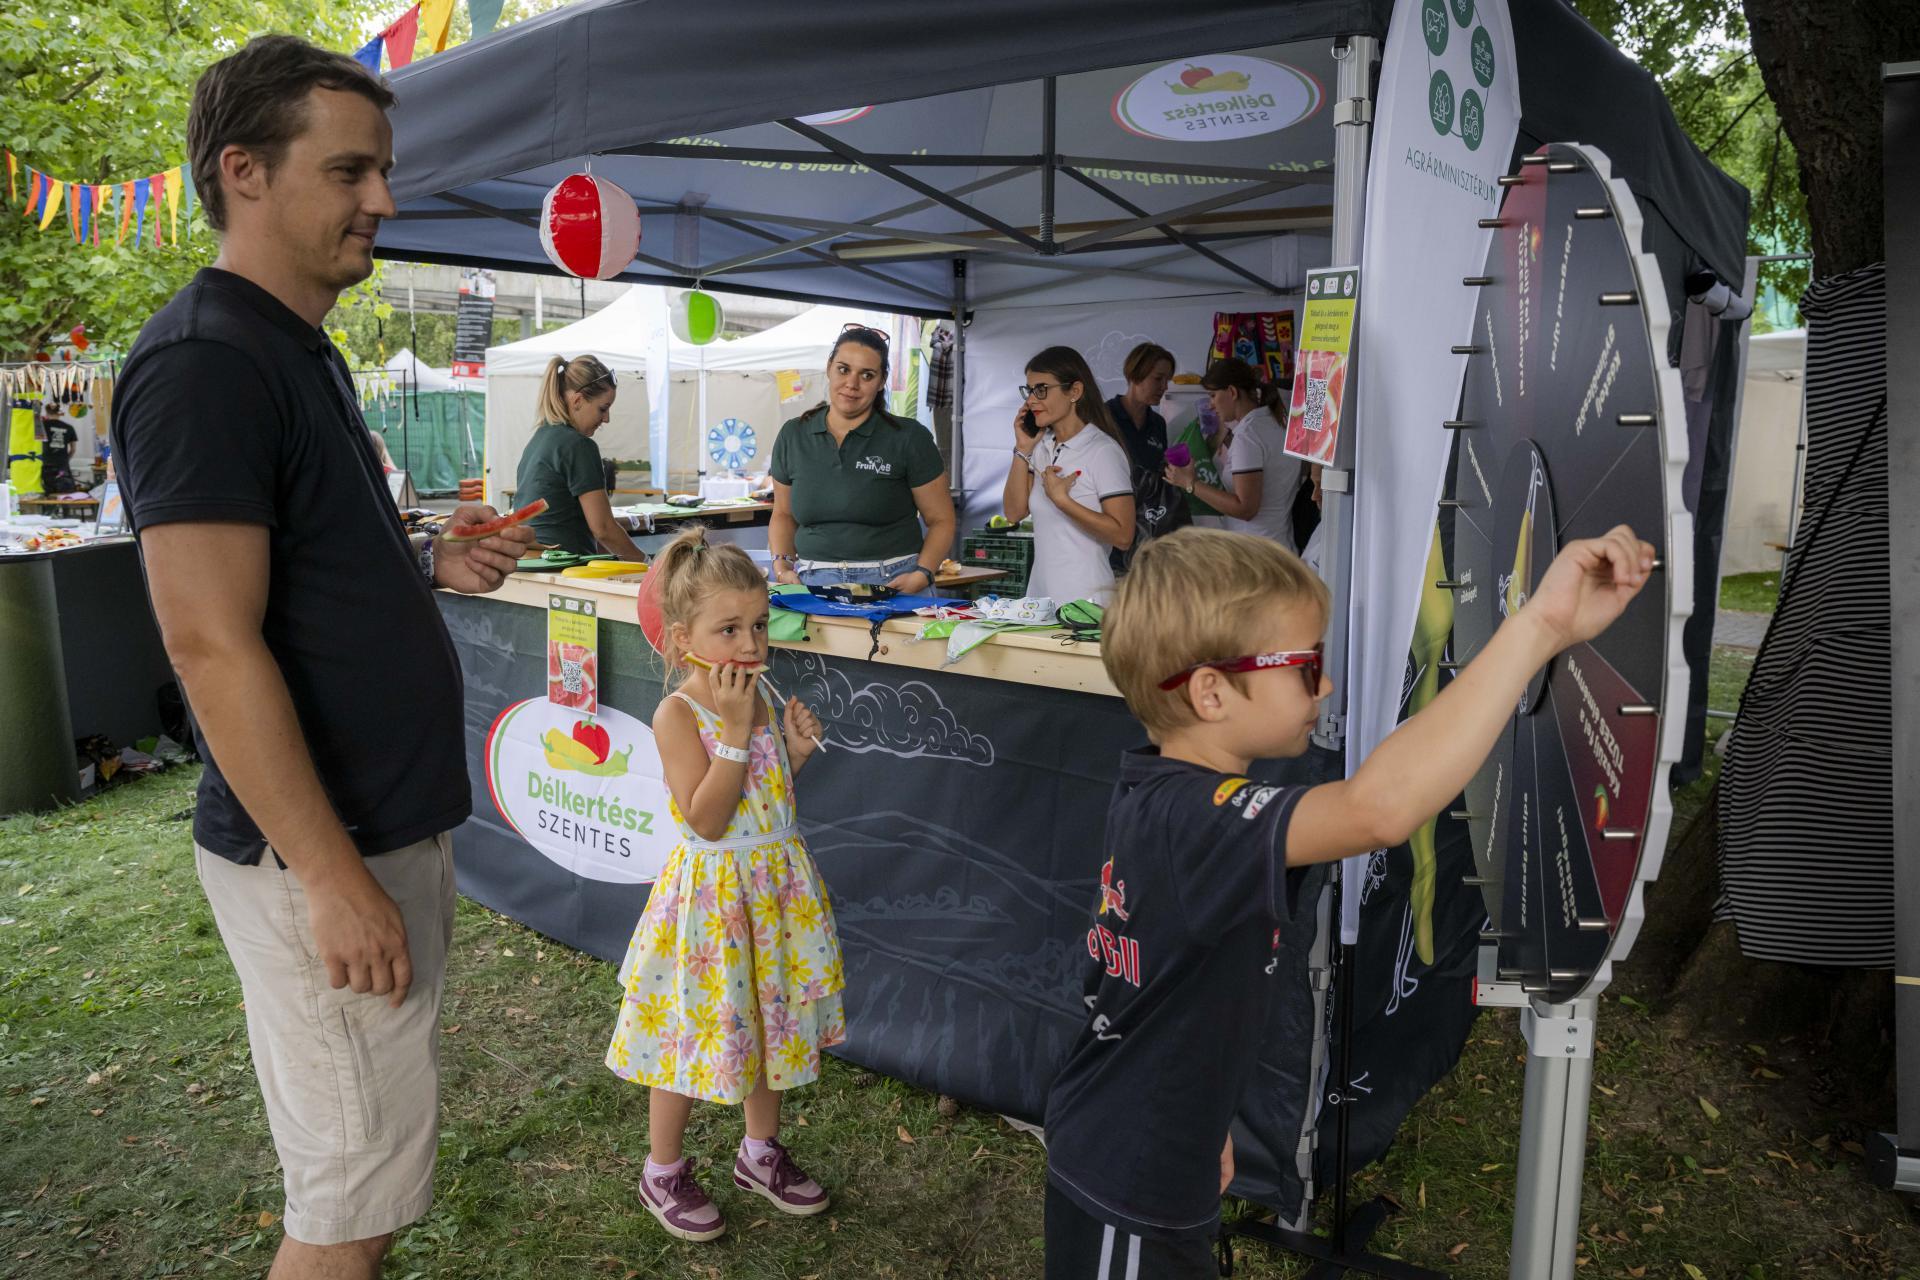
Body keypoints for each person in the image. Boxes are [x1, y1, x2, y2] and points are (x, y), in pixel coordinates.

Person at [108, 37, 535, 1280]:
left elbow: (292, 581)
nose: (384, 203)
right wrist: (333, 877)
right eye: (351, 171)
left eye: (383, 171)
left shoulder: (292, 345)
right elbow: (207, 637)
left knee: (372, 1179)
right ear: (243, 171)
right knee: (346, 1209)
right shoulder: (204, 364)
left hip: (368, 831)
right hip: (321, 851)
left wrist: (424, 566)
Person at [1041, 523, 1655, 1278]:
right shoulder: (1195, 821)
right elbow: (1377, 810)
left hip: (1155, 1142)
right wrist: (1540, 627)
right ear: (1210, 691)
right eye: (1305, 666)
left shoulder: (1174, 798)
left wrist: (1204, 1127)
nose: (1324, 686)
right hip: (1126, 1182)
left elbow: (1156, 990)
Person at [606, 525, 843, 1242]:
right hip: (712, 910)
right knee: (693, 1031)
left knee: (768, 1020)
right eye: (729, 628)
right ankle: (663, 1169)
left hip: (771, 895)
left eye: (760, 625)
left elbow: (759, 804)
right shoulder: (678, 713)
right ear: (683, 639)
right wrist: (737, 732)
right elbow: (708, 820)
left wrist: (791, 753)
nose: (751, 643)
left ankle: (759, 1152)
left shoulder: (758, 698)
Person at [769, 324, 956, 591]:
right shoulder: (793, 435)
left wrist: (922, 574)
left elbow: (942, 520)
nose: (852, 384)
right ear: (829, 367)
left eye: (866, 375)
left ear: (881, 382)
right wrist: (782, 566)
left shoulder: (909, 437)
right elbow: (783, 514)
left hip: (894, 582)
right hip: (812, 584)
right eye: (843, 370)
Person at [1003, 345, 1136, 605]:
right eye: (1029, 390)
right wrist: (1022, 449)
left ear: (1074, 391)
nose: (1031, 400)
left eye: (1041, 389)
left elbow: (1123, 536)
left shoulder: (1103, 451)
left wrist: (1063, 501)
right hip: (1040, 603)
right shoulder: (1040, 447)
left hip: (1087, 605)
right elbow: (1013, 512)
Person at [514, 354, 649, 561]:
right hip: (564, 566)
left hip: (528, 561)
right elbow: (603, 529)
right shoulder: (579, 445)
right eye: (603, 409)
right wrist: (648, 565)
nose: (607, 418)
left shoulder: (538, 439)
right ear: (577, 400)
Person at [1163, 357, 1302, 551]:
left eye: (1213, 395)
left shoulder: (1248, 437)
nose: (1210, 404)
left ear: (1232, 392)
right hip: (1279, 546)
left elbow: (1245, 508)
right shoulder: (1277, 423)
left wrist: (1190, 484)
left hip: (1254, 553)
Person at [1105, 342, 1189, 572]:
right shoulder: (1105, 417)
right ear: (1135, 374)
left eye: (1167, 380)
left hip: (1150, 530)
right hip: (1113, 528)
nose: (1164, 387)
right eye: (1158, 378)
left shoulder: (1158, 423)